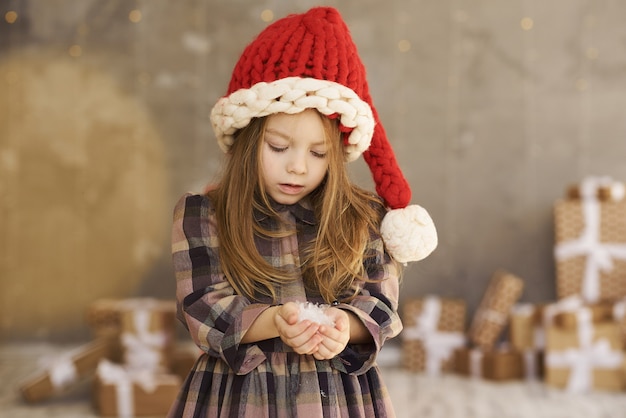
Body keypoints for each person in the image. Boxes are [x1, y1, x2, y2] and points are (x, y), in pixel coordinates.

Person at [169, 6, 437, 418]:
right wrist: (276, 321)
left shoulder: (362, 218)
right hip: (239, 398)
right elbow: (201, 306)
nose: (298, 166)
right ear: (246, 139)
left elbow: (381, 303)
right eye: (278, 147)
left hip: (336, 398)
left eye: (318, 153)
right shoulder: (205, 214)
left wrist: (341, 326)